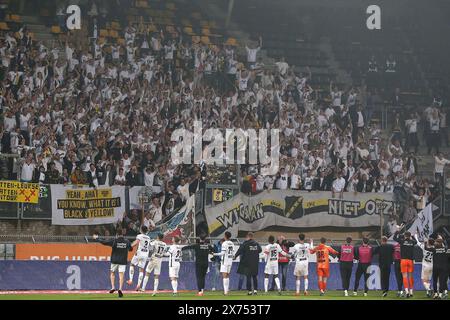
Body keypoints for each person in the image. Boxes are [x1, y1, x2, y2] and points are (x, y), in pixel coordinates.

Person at [92, 227, 132, 298]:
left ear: (117, 234)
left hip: (115, 260)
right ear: (122, 234)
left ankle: (113, 287)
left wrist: (97, 238)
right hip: (123, 261)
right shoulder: (127, 241)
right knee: (121, 275)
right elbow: (131, 249)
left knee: (112, 273)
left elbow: (104, 242)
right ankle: (120, 289)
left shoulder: (114, 241)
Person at [393, 230, 417, 298]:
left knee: (404, 277)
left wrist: (397, 232)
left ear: (404, 235)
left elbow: (394, 238)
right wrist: (413, 236)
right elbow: (416, 241)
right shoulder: (412, 242)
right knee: (410, 276)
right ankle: (411, 291)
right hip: (410, 261)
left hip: (403, 261)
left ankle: (406, 292)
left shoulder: (402, 241)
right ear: (410, 236)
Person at [126, 226, 150, 291]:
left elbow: (136, 242)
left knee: (132, 264)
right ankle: (139, 285)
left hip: (139, 253)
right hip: (145, 254)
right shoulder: (148, 237)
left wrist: (130, 246)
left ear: (141, 230)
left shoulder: (139, 236)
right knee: (141, 270)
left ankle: (131, 280)